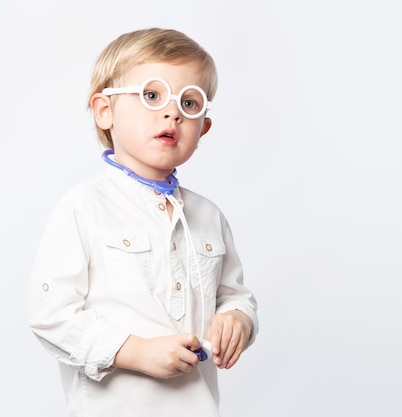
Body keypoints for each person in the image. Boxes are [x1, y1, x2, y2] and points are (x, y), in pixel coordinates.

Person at [27, 27, 259, 417]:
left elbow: (234, 293)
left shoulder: (208, 216)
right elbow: (51, 315)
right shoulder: (84, 208)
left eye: (189, 103)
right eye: (152, 95)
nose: (171, 112)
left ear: (203, 128)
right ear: (105, 111)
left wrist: (238, 318)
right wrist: (135, 352)